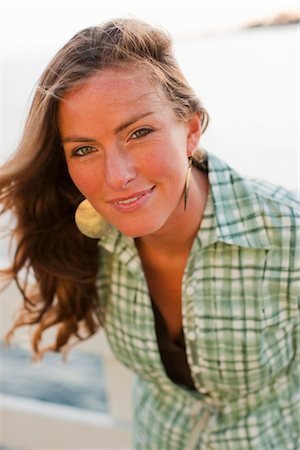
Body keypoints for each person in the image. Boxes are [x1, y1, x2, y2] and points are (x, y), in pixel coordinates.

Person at [0, 18, 299, 450]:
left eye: (139, 132)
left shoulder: (288, 237)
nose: (117, 176)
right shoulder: (87, 237)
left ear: (191, 129)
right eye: (84, 149)